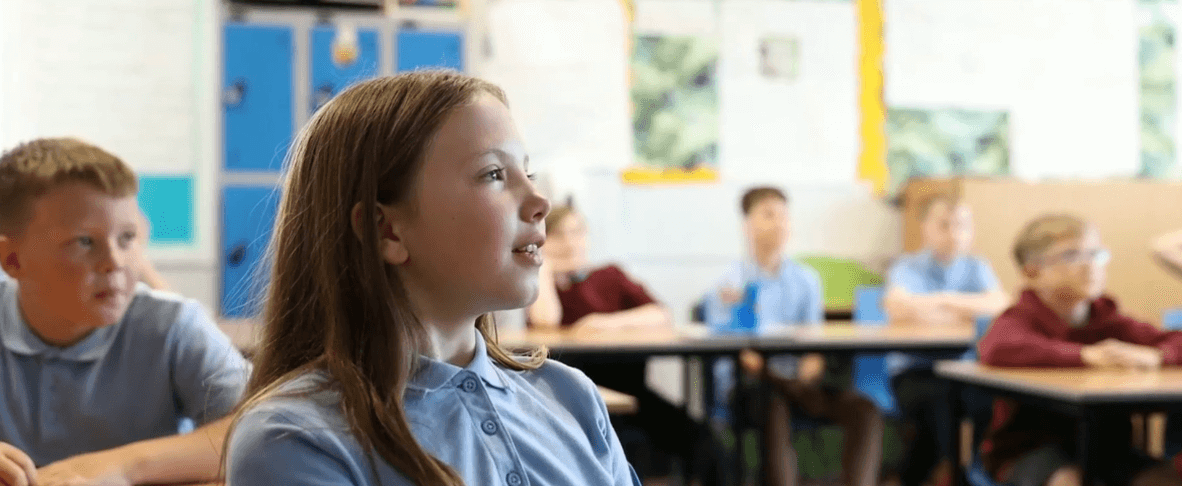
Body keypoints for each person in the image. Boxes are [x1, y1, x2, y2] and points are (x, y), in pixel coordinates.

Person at [226, 71, 640, 486]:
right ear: (386, 231)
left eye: (527, 174)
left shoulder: (571, 397)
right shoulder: (294, 440)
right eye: (493, 174)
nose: (540, 202)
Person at [0, 137, 250, 486]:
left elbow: (258, 429)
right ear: (13, 260)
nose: (115, 262)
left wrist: (123, 465)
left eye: (127, 238)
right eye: (85, 242)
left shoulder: (174, 326)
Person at [978, 214, 1182, 486]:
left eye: (1096, 254)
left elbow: (1173, 340)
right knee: (1069, 481)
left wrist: (1157, 356)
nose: (1090, 266)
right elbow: (998, 347)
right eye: (1072, 256)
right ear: (1031, 272)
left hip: (1107, 448)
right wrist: (1085, 355)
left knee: (1166, 480)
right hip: (1030, 449)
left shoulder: (1109, 320)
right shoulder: (1019, 318)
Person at [528, 203, 724, 484]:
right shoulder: (541, 285)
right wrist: (544, 267)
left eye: (577, 232)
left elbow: (660, 314)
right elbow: (545, 321)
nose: (570, 242)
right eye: (558, 235)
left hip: (632, 392)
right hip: (571, 399)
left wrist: (605, 323)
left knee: (703, 442)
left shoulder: (609, 275)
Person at [702, 186, 883, 486]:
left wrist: (813, 361)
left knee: (864, 409)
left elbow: (814, 340)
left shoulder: (806, 280)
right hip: (751, 385)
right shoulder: (729, 284)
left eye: (784, 216)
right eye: (768, 215)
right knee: (773, 404)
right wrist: (767, 371)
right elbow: (733, 351)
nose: (780, 223)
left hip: (800, 383)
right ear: (747, 225)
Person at [883, 192, 1009, 486]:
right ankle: (956, 477)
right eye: (944, 225)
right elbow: (899, 307)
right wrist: (967, 309)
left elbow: (999, 305)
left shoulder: (977, 267)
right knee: (939, 407)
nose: (954, 233)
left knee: (987, 403)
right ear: (925, 227)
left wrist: (940, 301)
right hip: (915, 370)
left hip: (967, 370)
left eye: (962, 225)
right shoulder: (906, 267)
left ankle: (967, 471)